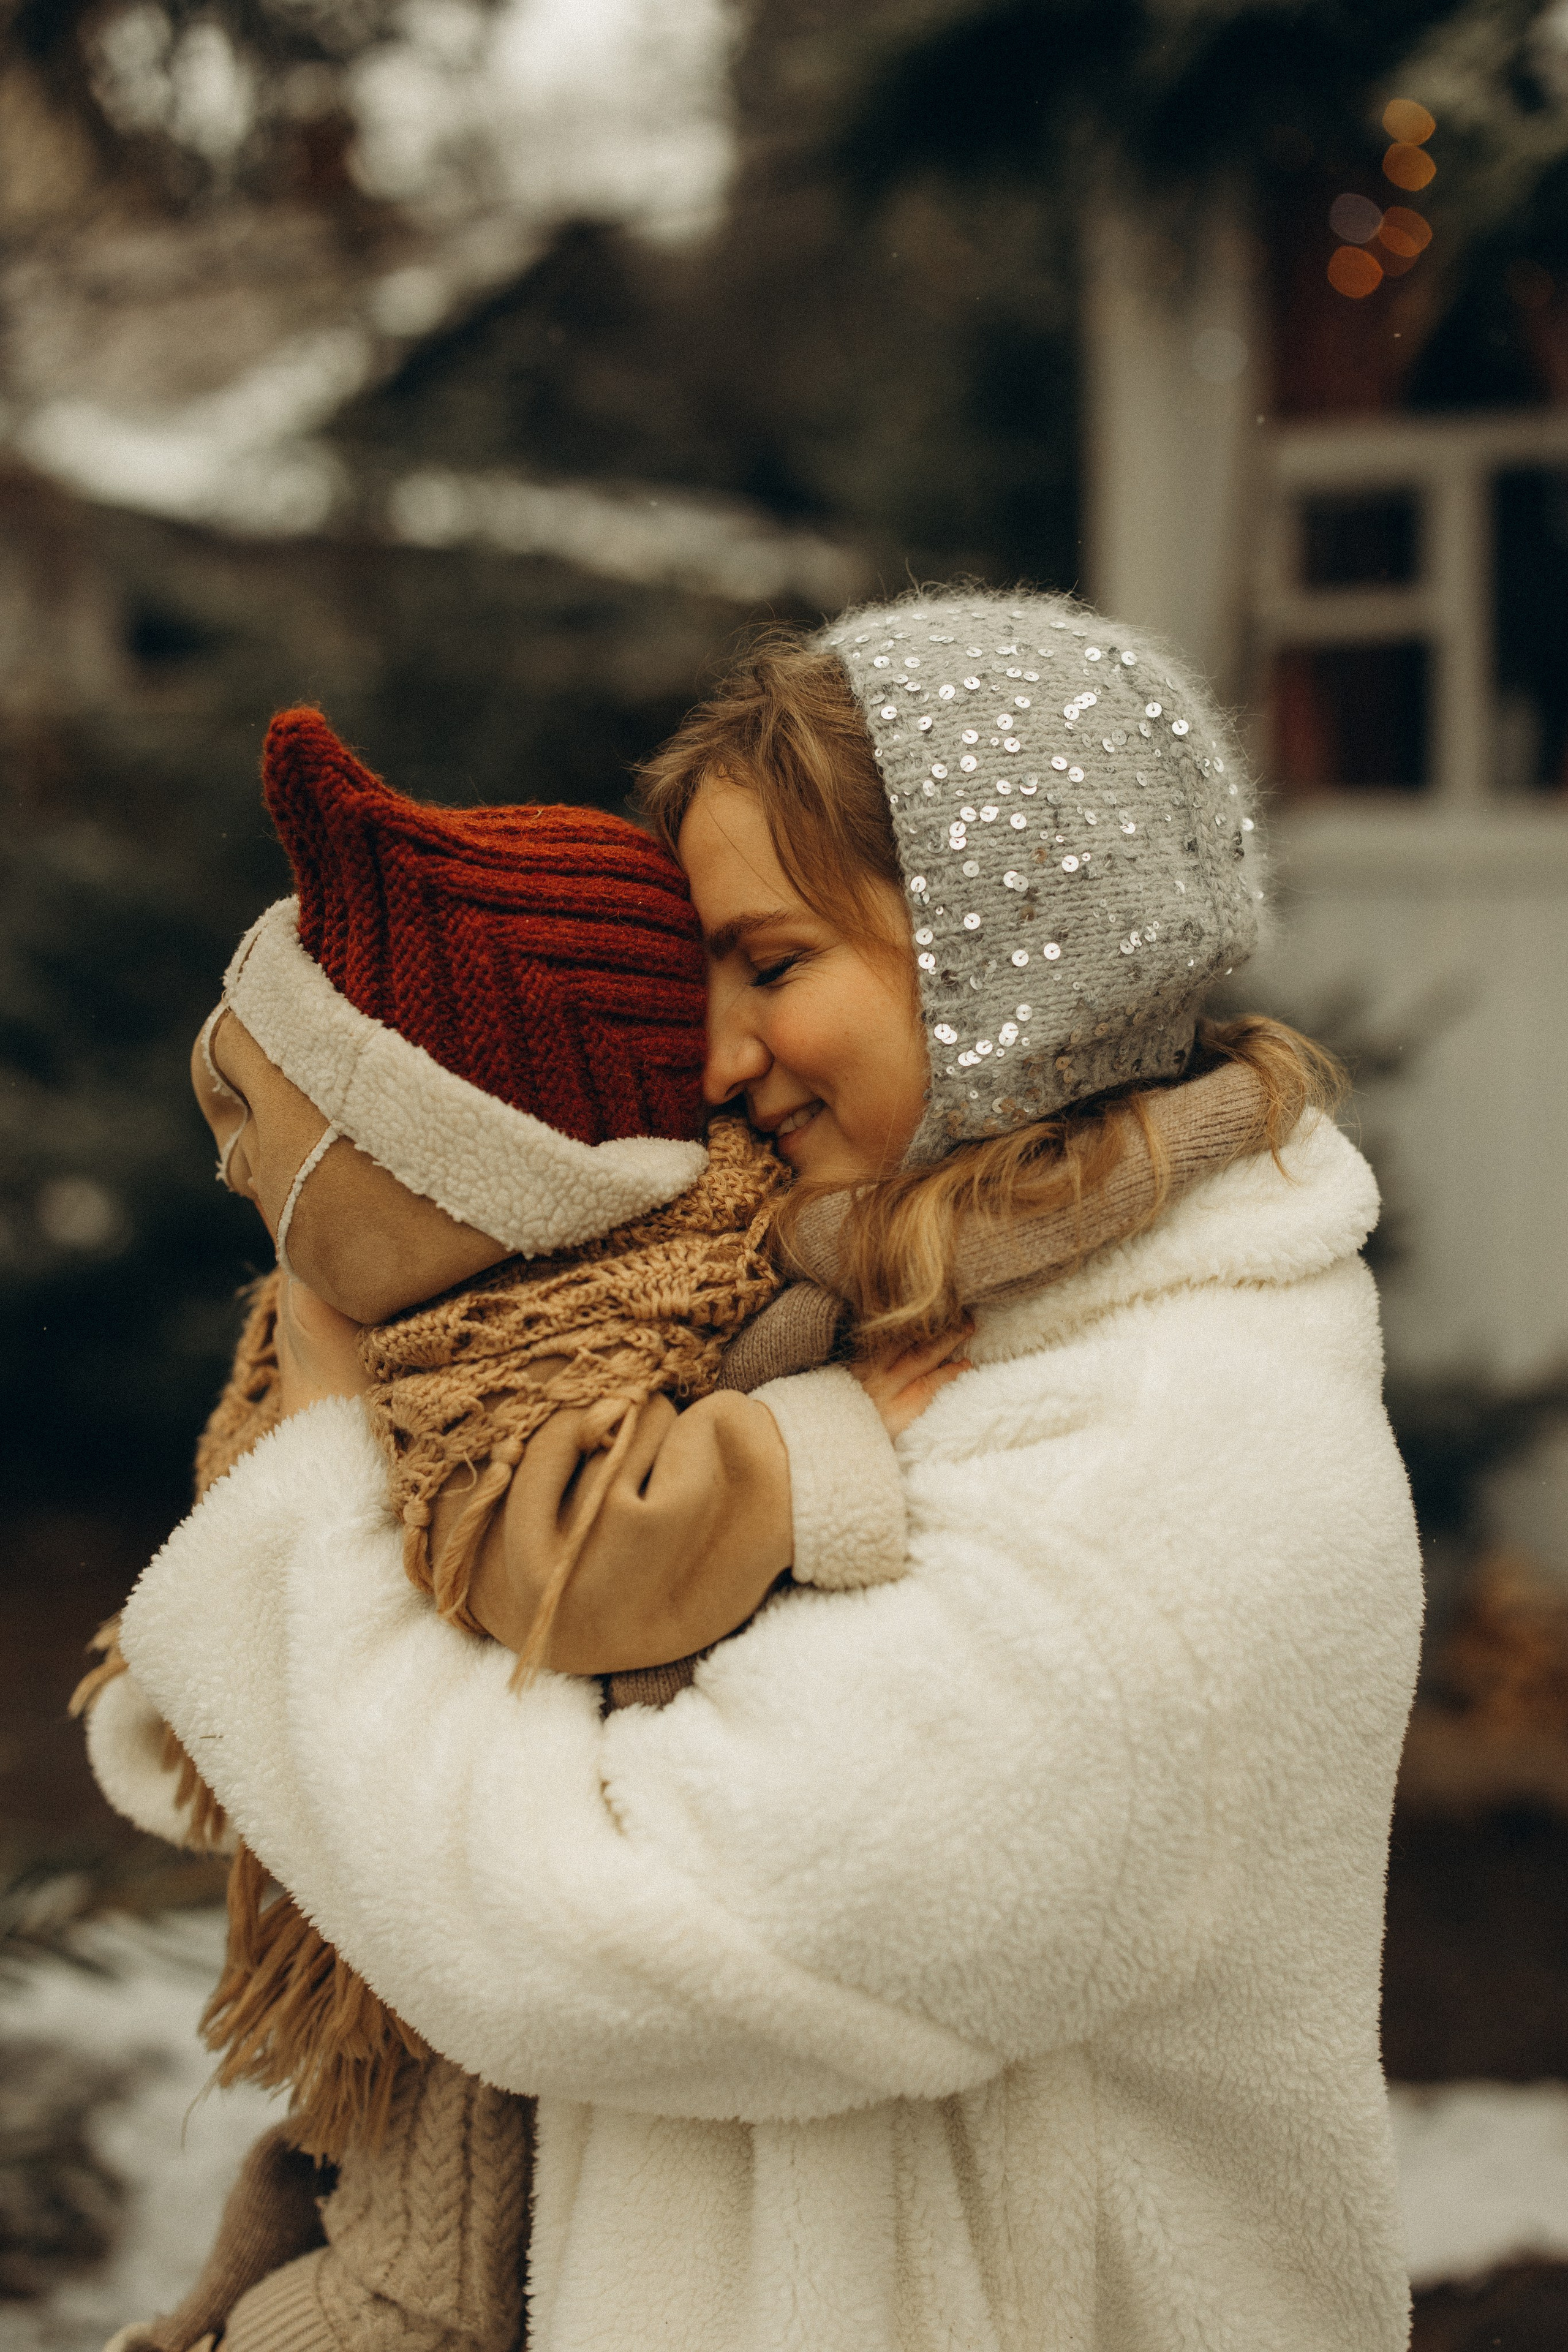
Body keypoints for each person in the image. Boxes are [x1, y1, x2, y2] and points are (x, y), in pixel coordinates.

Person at [102, 587, 1423, 2351]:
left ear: (1014, 955)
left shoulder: (1177, 1455)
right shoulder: (839, 1318)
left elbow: (609, 1932)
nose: (719, 1059)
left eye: (778, 962)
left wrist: (323, 1471)